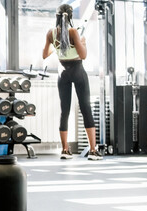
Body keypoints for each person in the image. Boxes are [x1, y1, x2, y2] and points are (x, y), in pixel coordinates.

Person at [42, 4, 103, 161]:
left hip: (63, 73)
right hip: (77, 71)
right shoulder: (73, 32)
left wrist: (57, 47)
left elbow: (44, 54)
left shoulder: (51, 33)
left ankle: (65, 150)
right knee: (86, 109)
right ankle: (93, 151)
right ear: (70, 16)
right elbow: (83, 56)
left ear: (57, 16)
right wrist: (82, 43)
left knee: (64, 111)